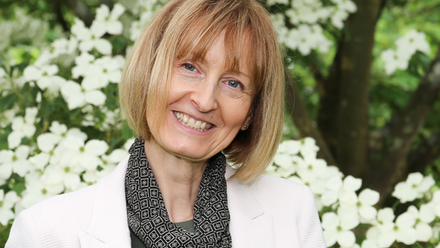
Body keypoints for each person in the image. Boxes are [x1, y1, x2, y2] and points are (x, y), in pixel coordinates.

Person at [6, 0, 325, 247]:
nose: (204, 100)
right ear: (149, 72)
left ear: (252, 113)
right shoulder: (47, 232)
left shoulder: (291, 212)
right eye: (190, 66)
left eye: (233, 84)